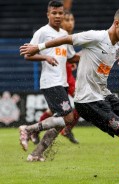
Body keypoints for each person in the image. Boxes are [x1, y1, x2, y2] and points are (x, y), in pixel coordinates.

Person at [20, 6, 119, 178]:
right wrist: (39, 47)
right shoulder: (95, 37)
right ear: (117, 23)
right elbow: (67, 38)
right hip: (87, 101)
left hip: (104, 94)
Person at [19, 0, 80, 161]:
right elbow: (27, 54)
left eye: (60, 13)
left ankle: (36, 154)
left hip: (63, 82)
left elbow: (72, 57)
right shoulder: (42, 32)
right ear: (48, 14)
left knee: (61, 122)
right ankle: (28, 128)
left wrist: (93, 55)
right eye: (54, 13)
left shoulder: (65, 35)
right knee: (68, 118)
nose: (58, 16)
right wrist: (45, 56)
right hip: (51, 82)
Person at [30, 11, 80, 145]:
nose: (70, 22)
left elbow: (69, 57)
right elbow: (32, 53)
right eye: (67, 19)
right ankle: (63, 129)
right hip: (58, 79)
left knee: (57, 111)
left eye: (72, 19)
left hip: (65, 77)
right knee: (80, 102)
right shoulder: (48, 34)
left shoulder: (67, 37)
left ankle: (39, 132)